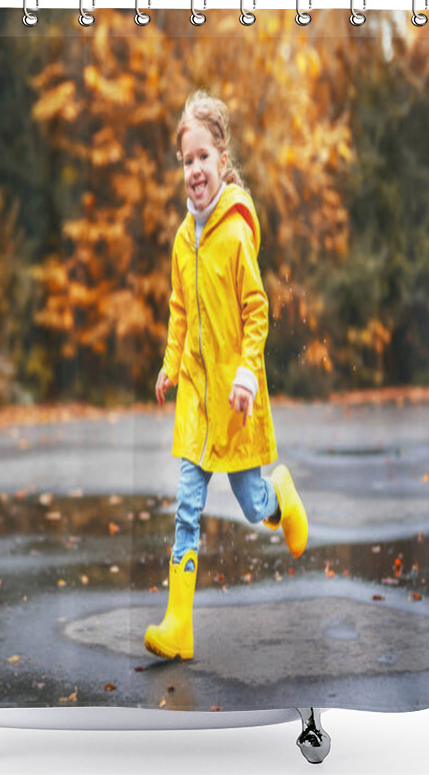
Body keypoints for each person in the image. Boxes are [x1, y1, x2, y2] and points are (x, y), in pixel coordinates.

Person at [144, 90, 308, 661]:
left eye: (203, 159)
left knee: (248, 501)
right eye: (185, 161)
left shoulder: (235, 235)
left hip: (234, 401)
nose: (194, 171)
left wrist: (245, 374)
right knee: (186, 507)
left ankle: (279, 499)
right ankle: (178, 627)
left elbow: (257, 312)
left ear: (221, 160)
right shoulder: (181, 243)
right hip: (195, 398)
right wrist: (169, 365)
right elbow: (180, 312)